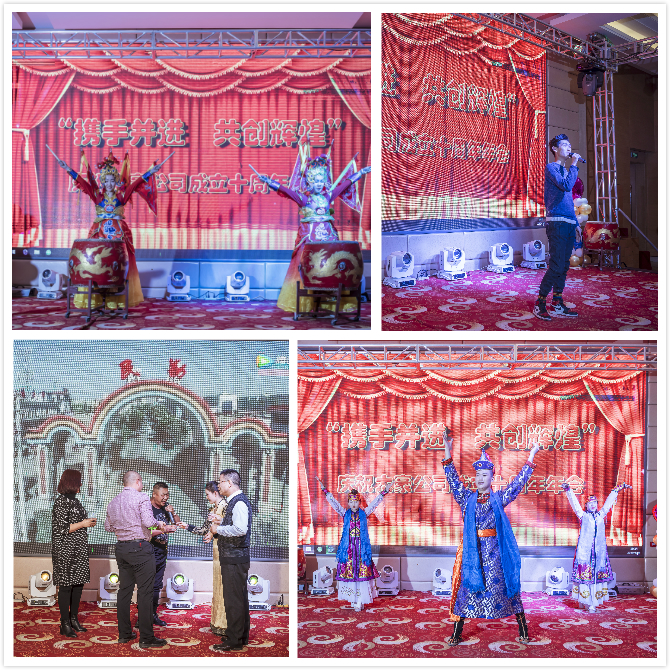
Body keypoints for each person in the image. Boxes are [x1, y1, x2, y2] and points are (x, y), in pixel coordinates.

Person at [441, 432, 542, 645]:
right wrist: (447, 450)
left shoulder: (498, 498)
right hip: (472, 554)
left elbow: (517, 484)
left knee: (508, 589)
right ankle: (457, 633)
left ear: (492, 477)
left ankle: (523, 629)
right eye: (478, 475)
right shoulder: (466, 498)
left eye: (484, 475)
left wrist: (532, 455)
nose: (480, 479)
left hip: (496, 554)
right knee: (466, 592)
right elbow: (452, 479)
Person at [255, 146, 370, 313]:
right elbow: (286, 191)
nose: (319, 184)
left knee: (332, 269)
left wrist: (360, 173)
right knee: (307, 270)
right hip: (309, 239)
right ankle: (307, 303)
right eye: (315, 181)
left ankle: (329, 301)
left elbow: (344, 185)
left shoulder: (328, 196)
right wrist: (268, 182)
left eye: (321, 181)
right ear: (310, 182)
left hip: (328, 240)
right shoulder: (304, 199)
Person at [53, 150, 164, 308]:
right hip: (99, 233)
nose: (110, 184)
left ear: (116, 181)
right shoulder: (97, 196)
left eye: (112, 180)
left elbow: (135, 184)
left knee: (118, 266)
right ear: (103, 182)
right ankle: (95, 299)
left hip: (119, 234)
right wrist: (68, 169)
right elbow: (83, 183)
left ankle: (114, 301)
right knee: (95, 263)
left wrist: (150, 172)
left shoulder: (121, 196)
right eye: (107, 181)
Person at [104, 470, 167, 649]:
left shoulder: (113, 501)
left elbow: (108, 527)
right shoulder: (141, 497)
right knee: (145, 593)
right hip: (140, 548)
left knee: (124, 591)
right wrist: (160, 524)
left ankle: (124, 634)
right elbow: (148, 522)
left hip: (121, 548)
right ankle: (146, 638)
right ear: (138, 481)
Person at [316, 477, 392, 611]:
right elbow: (334, 503)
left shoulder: (364, 513)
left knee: (362, 575)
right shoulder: (345, 513)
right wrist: (324, 489)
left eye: (356, 502)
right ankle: (353, 599)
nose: (353, 504)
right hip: (349, 549)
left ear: (359, 502)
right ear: (348, 503)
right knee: (350, 575)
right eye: (351, 502)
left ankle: (360, 600)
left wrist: (384, 491)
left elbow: (374, 503)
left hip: (362, 550)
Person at [561, 481, 631, 612]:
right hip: (585, 553)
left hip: (598, 554)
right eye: (590, 503)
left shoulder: (601, 515)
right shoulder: (583, 515)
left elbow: (609, 503)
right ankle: (584, 600)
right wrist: (569, 490)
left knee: (595, 579)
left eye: (595, 503)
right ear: (586, 505)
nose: (593, 505)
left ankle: (592, 602)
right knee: (585, 578)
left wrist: (618, 489)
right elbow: (575, 504)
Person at [534, 133, 582, 321]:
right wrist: (574, 165)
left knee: (564, 265)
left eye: (570, 145)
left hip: (568, 222)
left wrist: (576, 223)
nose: (569, 148)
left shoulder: (567, 170)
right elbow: (566, 185)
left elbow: (569, 200)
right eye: (564, 144)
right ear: (555, 148)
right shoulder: (551, 168)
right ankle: (540, 302)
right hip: (557, 222)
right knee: (556, 265)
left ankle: (557, 301)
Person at [177, 480, 228, 636]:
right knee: (217, 585)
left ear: (215, 493)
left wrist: (216, 527)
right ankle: (217, 622)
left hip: (226, 550)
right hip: (217, 550)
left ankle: (225, 623)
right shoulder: (213, 508)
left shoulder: (226, 506)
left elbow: (231, 527)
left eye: (207, 494)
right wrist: (187, 526)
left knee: (224, 586)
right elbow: (204, 530)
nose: (206, 497)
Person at [51, 468, 97, 638]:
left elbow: (78, 523)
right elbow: (62, 528)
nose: (81, 485)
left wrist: (86, 523)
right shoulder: (61, 502)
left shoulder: (75, 501)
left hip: (79, 549)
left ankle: (73, 619)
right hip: (65, 550)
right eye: (78, 481)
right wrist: (83, 524)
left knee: (78, 585)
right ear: (71, 483)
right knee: (65, 586)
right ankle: (64, 624)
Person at [212, 469, 253, 652]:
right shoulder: (235, 501)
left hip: (234, 558)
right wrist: (222, 521)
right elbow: (236, 524)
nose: (218, 485)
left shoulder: (239, 502)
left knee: (233, 601)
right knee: (238, 599)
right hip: (235, 558)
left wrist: (218, 529)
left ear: (229, 483)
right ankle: (240, 636)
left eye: (220, 482)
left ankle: (234, 640)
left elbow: (240, 529)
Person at [149, 482, 179, 627]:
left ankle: (152, 614)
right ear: (154, 494)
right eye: (163, 495)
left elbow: (177, 524)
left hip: (162, 550)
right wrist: (164, 530)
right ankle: (143, 616)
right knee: (147, 586)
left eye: (167, 495)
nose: (166, 498)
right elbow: (145, 532)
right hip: (149, 550)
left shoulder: (165, 508)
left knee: (157, 585)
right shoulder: (147, 508)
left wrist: (173, 512)